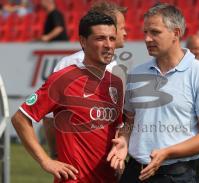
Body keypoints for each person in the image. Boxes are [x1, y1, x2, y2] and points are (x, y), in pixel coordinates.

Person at [107, 3, 199, 183]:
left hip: (175, 175)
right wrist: (124, 140)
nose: (147, 38)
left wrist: (167, 152)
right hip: (133, 171)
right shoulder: (136, 73)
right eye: (145, 32)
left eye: (155, 32)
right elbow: (130, 121)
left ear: (176, 33)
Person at [11, 11, 124, 182]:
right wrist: (46, 161)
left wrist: (121, 151)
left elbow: (117, 131)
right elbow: (20, 118)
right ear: (83, 41)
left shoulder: (116, 83)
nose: (108, 45)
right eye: (100, 38)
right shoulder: (63, 79)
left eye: (112, 38)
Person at [42, 1, 127, 159]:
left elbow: (117, 123)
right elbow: (49, 117)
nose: (125, 32)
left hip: (107, 164)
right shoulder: (69, 64)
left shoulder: (116, 69)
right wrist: (54, 155)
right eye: (122, 27)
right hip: (75, 167)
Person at [186, 35, 199, 183]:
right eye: (194, 48)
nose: (197, 51)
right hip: (185, 132)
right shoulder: (178, 70)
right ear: (187, 49)